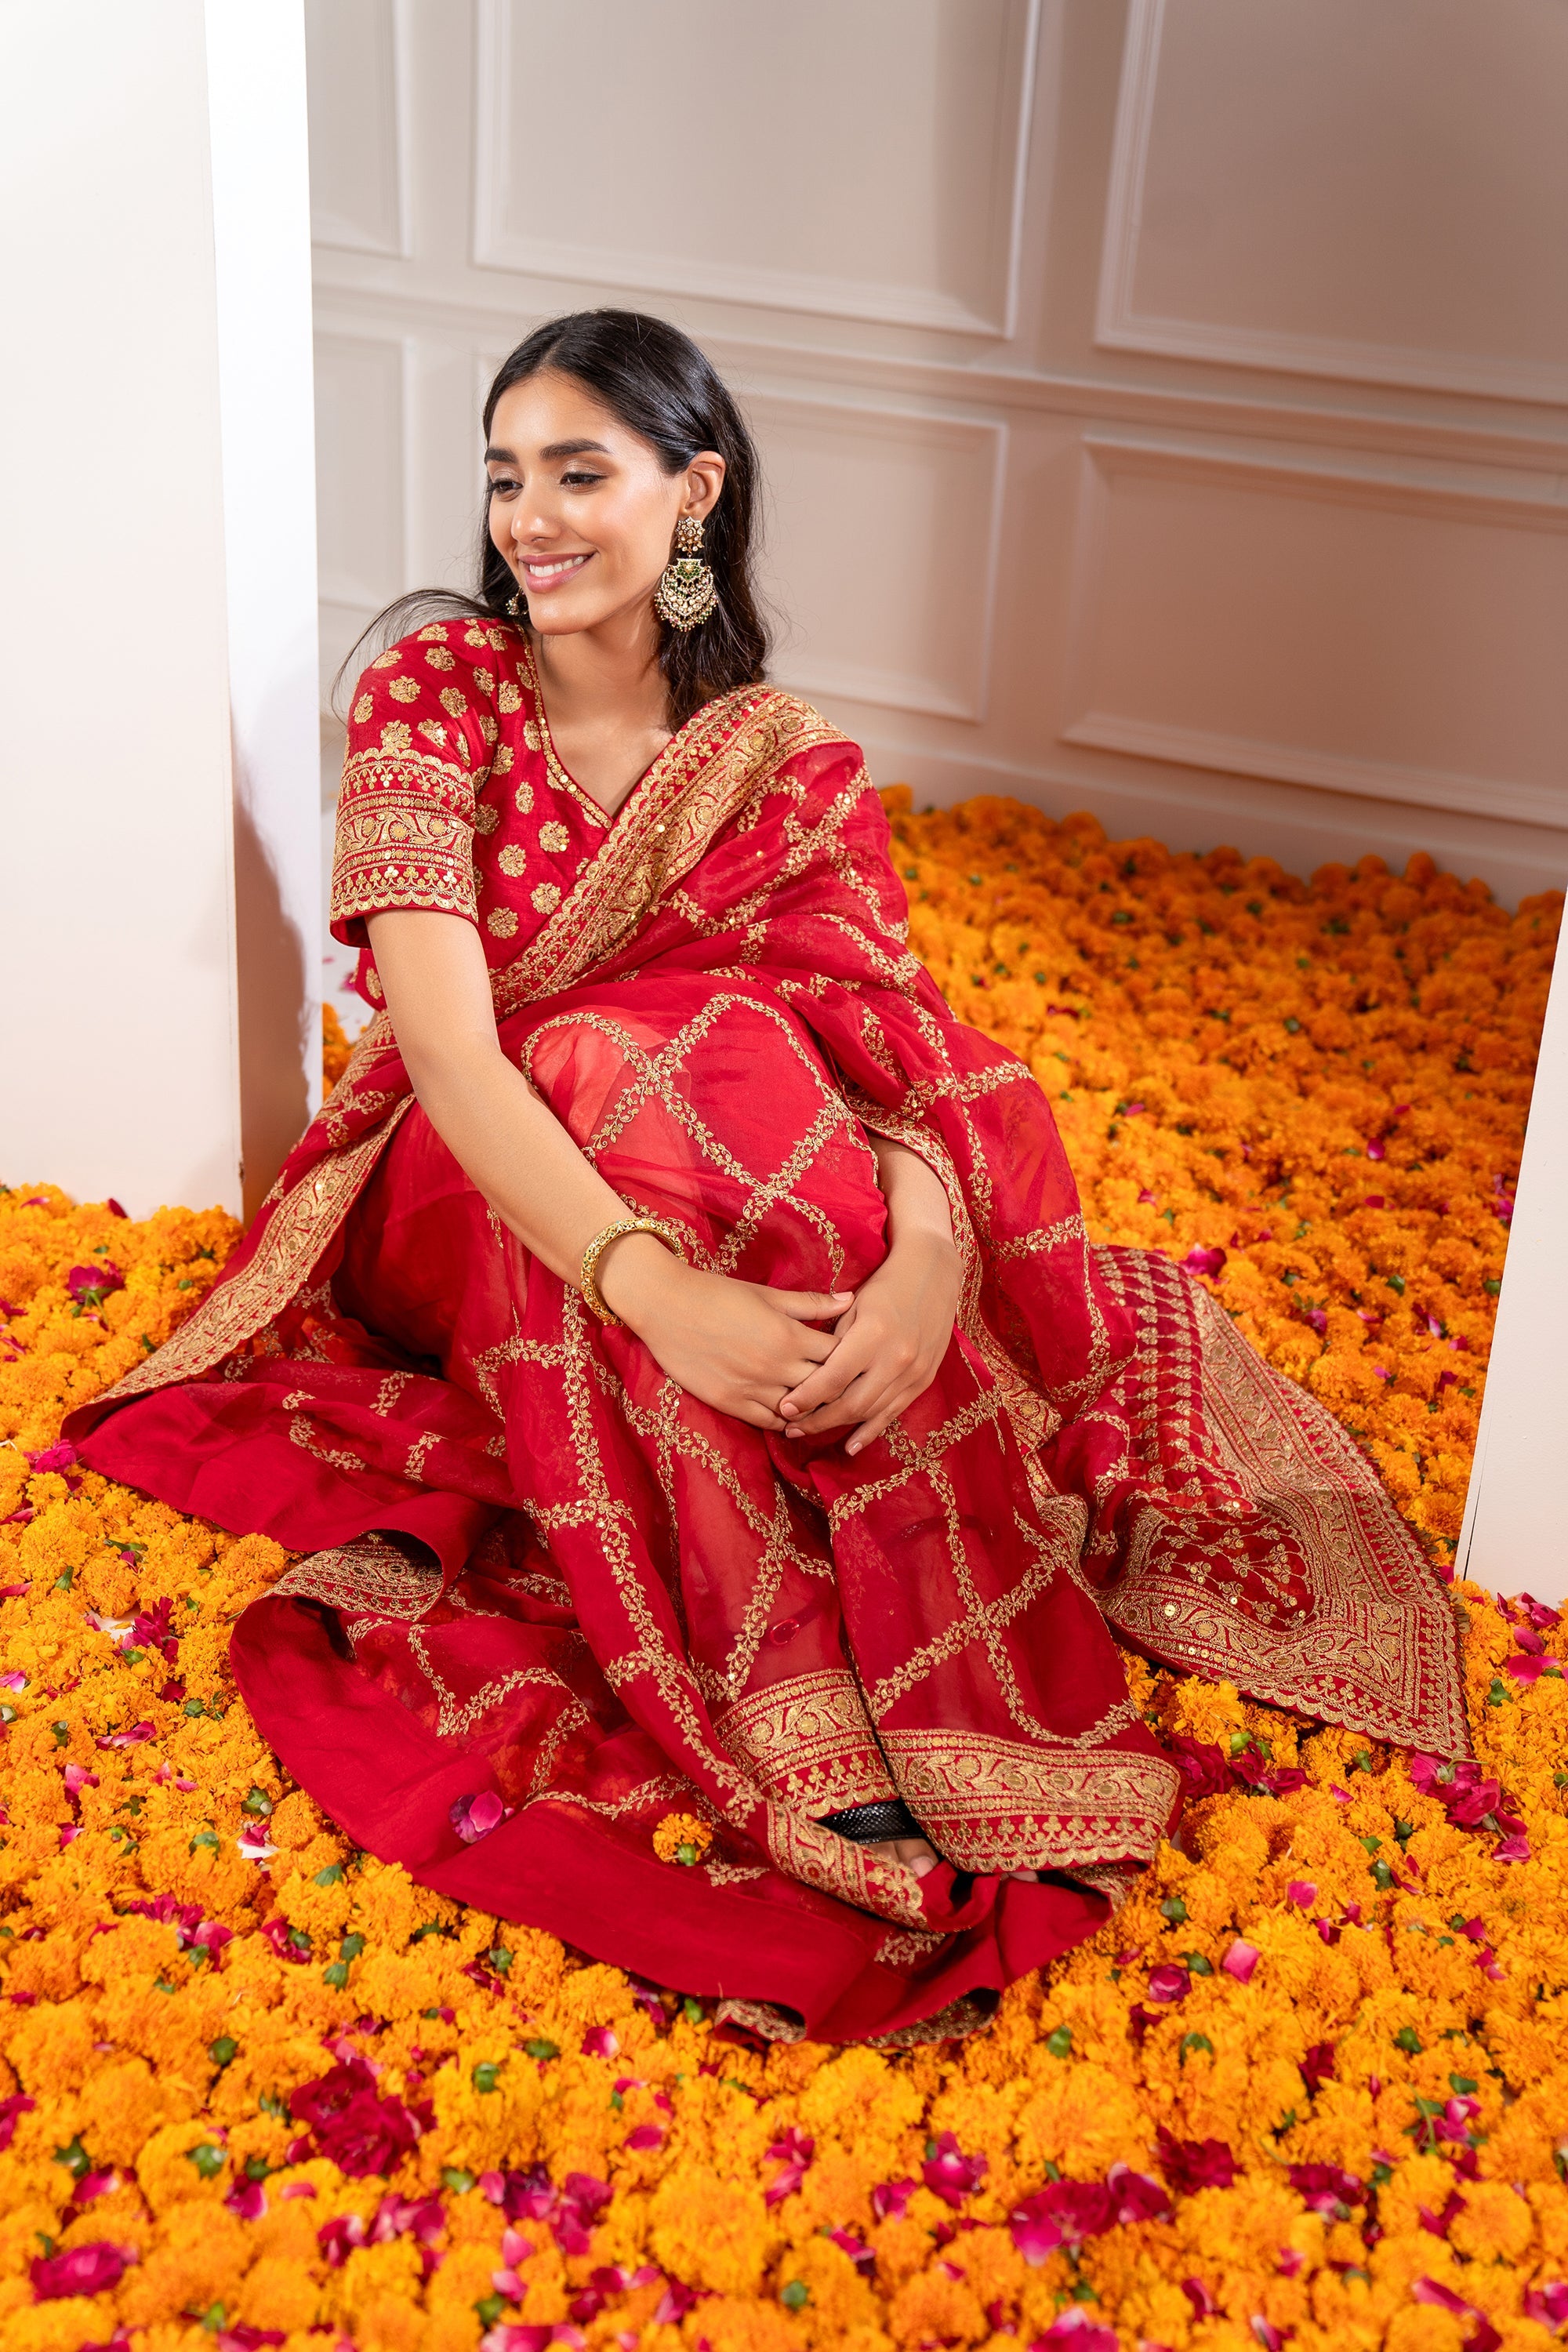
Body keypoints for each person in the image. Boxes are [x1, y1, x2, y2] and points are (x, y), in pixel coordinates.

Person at [68, 310, 1466, 2048]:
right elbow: (448, 1050)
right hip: (467, 1187)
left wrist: (930, 1267)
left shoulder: (777, 760)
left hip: (724, 1177)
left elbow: (891, 1045)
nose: (528, 516)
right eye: (506, 476)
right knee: (616, 1056)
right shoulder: (435, 684)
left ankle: (883, 1641)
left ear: (694, 493)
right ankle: (802, 1688)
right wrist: (656, 1286)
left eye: (581, 471)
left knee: (745, 1070)